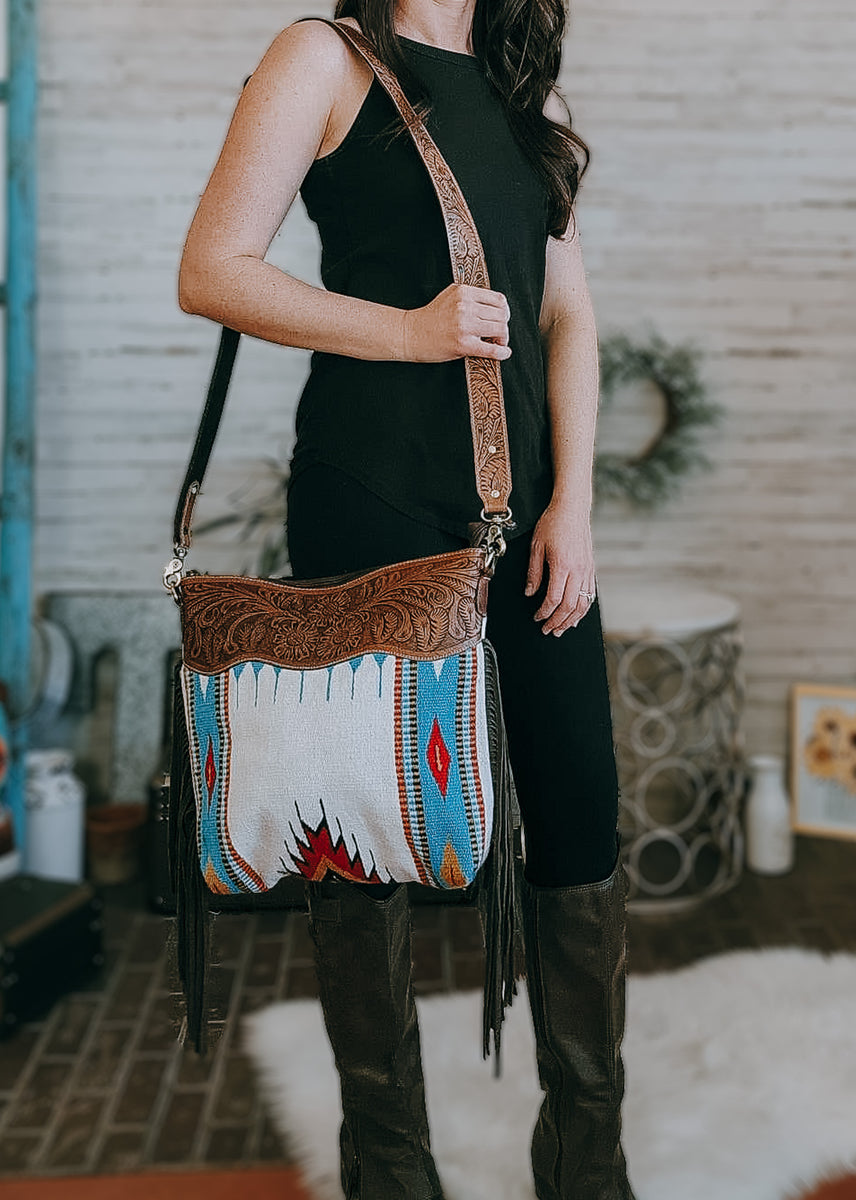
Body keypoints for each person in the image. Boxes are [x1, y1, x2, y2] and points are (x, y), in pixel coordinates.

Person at [178, 3, 637, 1197]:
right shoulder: (322, 58)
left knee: (578, 821)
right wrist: (410, 331)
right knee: (364, 846)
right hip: (369, 503)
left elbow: (565, 309)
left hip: (526, 507)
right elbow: (211, 268)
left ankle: (586, 1165)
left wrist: (572, 502)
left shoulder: (521, 84)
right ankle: (389, 1173)